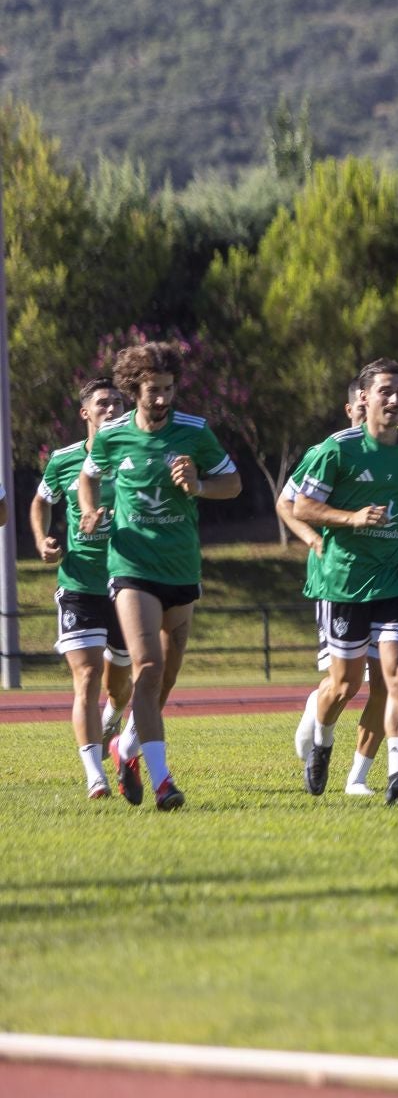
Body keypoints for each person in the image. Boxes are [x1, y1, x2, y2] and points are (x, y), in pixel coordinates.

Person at [77, 342, 243, 811]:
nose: (162, 399)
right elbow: (88, 478)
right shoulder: (113, 435)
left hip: (181, 567)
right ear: (135, 389)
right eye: (153, 390)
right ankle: (163, 781)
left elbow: (233, 484)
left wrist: (199, 485)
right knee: (147, 666)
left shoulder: (195, 431)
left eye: (169, 389)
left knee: (164, 679)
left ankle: (126, 747)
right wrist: (89, 510)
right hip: (131, 566)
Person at [289, 359, 398, 803]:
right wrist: (351, 518)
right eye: (385, 391)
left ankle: (396, 775)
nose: (394, 400)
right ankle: (322, 741)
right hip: (346, 582)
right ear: (365, 398)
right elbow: (301, 507)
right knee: (344, 685)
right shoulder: (337, 449)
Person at [33, 378, 133, 799]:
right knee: (87, 676)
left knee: (120, 685)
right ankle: (95, 775)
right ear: (85, 412)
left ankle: (112, 720)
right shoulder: (64, 459)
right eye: (103, 403)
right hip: (79, 583)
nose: (111, 409)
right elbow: (42, 500)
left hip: (128, 584)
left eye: (117, 403)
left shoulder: (136, 454)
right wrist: (42, 540)